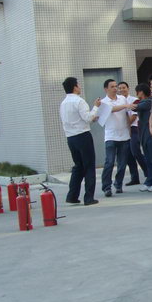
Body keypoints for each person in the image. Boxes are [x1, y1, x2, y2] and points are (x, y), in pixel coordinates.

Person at [59, 77, 100, 206]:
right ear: (75, 87)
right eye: (78, 85)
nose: (80, 87)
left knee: (78, 166)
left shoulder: (63, 103)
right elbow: (88, 118)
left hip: (70, 137)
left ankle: (72, 195)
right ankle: (89, 197)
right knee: (89, 166)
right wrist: (96, 107)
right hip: (83, 136)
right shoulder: (79, 101)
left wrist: (91, 118)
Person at [100, 79, 134, 197]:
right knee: (109, 162)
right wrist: (125, 105)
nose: (115, 88)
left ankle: (118, 184)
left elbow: (127, 114)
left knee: (122, 163)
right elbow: (111, 110)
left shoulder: (122, 99)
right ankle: (106, 187)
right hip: (110, 136)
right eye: (112, 87)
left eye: (116, 86)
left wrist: (129, 129)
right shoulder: (103, 102)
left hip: (124, 135)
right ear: (106, 89)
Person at [118, 81, 147, 187]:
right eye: (120, 88)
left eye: (124, 87)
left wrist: (124, 125)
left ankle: (148, 173)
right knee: (129, 155)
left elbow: (134, 116)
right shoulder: (118, 101)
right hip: (124, 131)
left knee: (136, 152)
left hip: (134, 129)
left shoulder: (134, 100)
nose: (122, 90)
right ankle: (134, 178)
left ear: (128, 88)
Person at [133, 83, 152, 192]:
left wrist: (127, 105)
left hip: (150, 134)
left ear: (141, 92)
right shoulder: (143, 102)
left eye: (137, 92)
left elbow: (136, 107)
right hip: (144, 134)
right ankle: (150, 180)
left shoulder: (149, 102)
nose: (137, 94)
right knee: (148, 159)